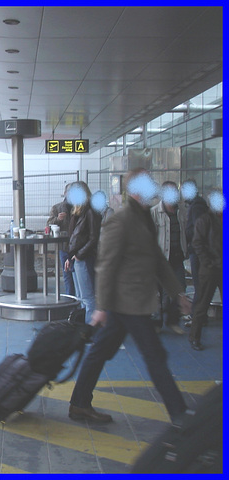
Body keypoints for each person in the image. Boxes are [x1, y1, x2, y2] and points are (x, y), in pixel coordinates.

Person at [68, 169, 192, 425]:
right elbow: (106, 265)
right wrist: (101, 306)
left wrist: (177, 292)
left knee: (100, 352)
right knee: (154, 355)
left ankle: (79, 404)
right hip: (126, 302)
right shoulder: (121, 219)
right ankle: (179, 413)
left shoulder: (144, 217)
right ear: (136, 189)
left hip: (130, 304)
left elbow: (157, 259)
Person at [150, 181, 188, 334]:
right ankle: (157, 323)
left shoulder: (182, 211)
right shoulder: (154, 212)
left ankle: (173, 320)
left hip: (177, 258)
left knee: (179, 289)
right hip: (160, 259)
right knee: (156, 292)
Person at [189, 189, 223, 351]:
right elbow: (197, 243)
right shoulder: (205, 220)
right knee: (202, 304)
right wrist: (207, 262)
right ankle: (194, 337)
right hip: (210, 269)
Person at [64, 181, 101, 324]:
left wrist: (78, 255)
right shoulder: (79, 212)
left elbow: (93, 238)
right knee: (81, 297)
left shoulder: (91, 212)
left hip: (84, 258)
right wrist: (70, 257)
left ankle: (90, 329)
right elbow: (75, 238)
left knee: (87, 297)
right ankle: (84, 328)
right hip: (77, 258)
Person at [182, 179, 209, 314]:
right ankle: (198, 316)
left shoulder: (197, 206)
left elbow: (198, 229)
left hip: (197, 250)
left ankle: (198, 316)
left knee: (199, 284)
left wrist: (190, 240)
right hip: (198, 249)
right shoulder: (197, 204)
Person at [47, 183, 75, 296]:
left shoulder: (79, 207)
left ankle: (77, 300)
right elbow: (48, 224)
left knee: (77, 275)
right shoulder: (57, 207)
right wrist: (58, 219)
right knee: (67, 274)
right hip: (64, 246)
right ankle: (70, 298)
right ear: (65, 193)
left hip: (77, 245)